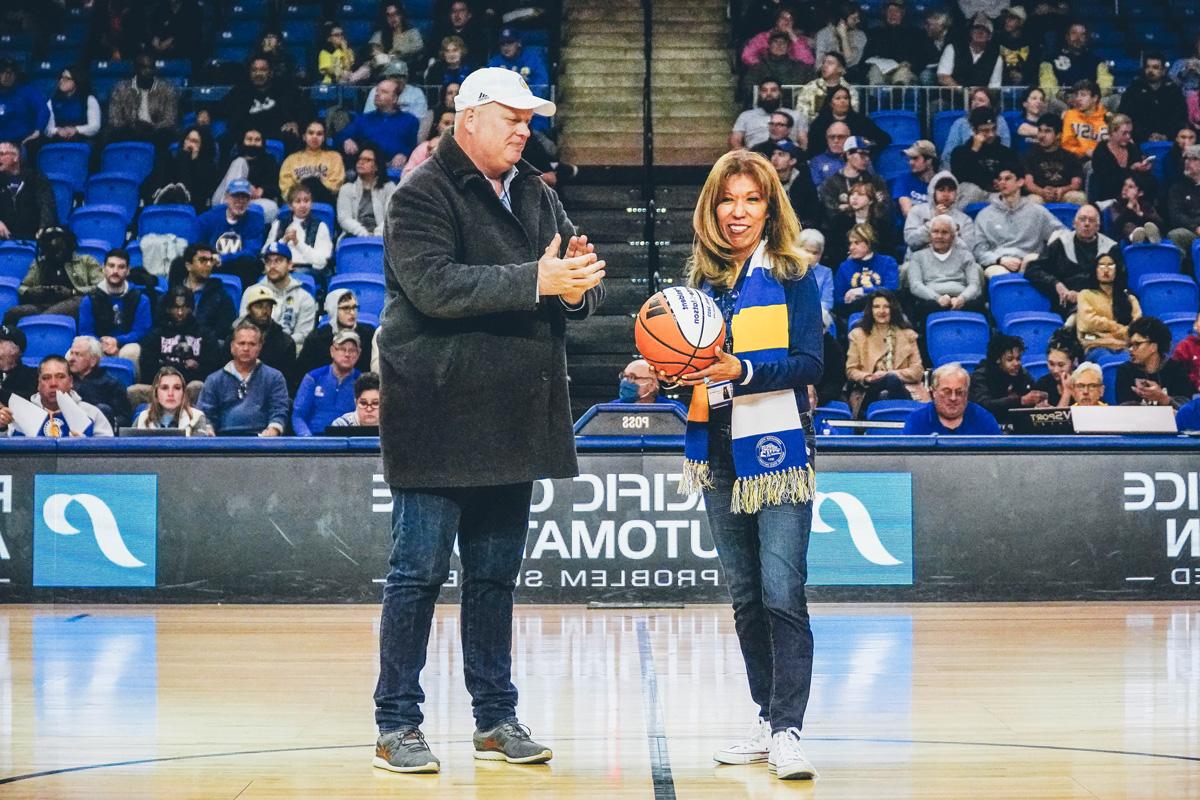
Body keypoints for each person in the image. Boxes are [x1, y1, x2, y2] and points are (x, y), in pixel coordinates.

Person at [373, 67, 604, 773]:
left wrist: (574, 290)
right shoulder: (420, 194)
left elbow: (575, 288)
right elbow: (434, 287)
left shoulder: (535, 191)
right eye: (512, 118)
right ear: (466, 117)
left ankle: (495, 717)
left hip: (509, 415)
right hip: (437, 414)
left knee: (495, 576)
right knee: (417, 572)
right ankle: (396, 724)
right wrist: (539, 280)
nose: (523, 130)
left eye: (529, 120)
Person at [666, 149, 820, 780]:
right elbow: (694, 375)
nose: (738, 211)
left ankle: (788, 729)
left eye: (751, 199)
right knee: (746, 597)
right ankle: (764, 716)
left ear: (769, 206)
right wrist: (661, 373)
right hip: (719, 452)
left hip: (779, 449)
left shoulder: (793, 274)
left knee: (783, 591)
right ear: (712, 206)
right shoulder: (700, 283)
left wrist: (745, 369)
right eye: (728, 199)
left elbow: (811, 365)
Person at [197, 320, 290, 435]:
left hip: (263, 442)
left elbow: (279, 411)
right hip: (222, 443)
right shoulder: (214, 380)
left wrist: (274, 430)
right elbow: (205, 414)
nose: (246, 348)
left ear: (259, 347)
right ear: (232, 347)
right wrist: (208, 429)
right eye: (241, 343)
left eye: (252, 344)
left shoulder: (274, 377)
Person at [1025, 203, 1119, 316]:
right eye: (1082, 219)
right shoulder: (1060, 244)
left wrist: (1085, 297)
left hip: (1100, 304)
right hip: (1066, 306)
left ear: (1098, 227)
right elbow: (1032, 269)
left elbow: (1120, 281)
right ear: (1074, 223)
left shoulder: (1110, 248)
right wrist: (1056, 284)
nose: (1087, 224)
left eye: (1091, 220)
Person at [974, 166, 1065, 279]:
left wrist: (1046, 255)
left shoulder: (1037, 211)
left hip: (1030, 262)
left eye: (1007, 179)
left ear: (1020, 182)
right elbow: (979, 250)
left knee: (1032, 263)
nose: (1002, 182)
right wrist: (999, 259)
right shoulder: (984, 215)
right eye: (1000, 179)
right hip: (999, 263)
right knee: (998, 274)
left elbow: (1062, 233)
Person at [845, 289, 925, 417]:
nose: (881, 311)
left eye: (886, 307)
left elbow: (917, 371)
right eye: (876, 307)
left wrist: (891, 374)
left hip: (904, 387)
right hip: (870, 388)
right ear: (870, 310)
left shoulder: (908, 334)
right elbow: (851, 370)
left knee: (891, 380)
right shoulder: (858, 335)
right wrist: (868, 377)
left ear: (893, 309)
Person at [4, 227, 101, 326]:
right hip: (43, 305)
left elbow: (100, 287)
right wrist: (32, 291)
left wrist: (72, 292)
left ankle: (41, 322)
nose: (56, 255)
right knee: (13, 313)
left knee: (77, 302)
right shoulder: (39, 264)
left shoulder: (86, 261)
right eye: (52, 251)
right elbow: (22, 287)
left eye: (59, 250)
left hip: (73, 302)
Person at [136, 285, 221, 398]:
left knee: (197, 386)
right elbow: (147, 368)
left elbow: (212, 368)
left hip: (192, 391)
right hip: (161, 389)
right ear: (167, 309)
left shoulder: (205, 334)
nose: (180, 313)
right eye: (175, 308)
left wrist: (196, 368)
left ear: (192, 308)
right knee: (134, 391)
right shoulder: (156, 335)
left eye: (185, 307)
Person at [3, 355, 114, 437]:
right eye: (46, 378)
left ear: (71, 381)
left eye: (60, 377)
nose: (53, 383)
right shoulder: (21, 414)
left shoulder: (91, 413)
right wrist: (2, 427)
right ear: (38, 383)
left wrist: (85, 447)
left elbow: (108, 458)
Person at [77, 248, 152, 370]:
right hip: (99, 346)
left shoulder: (140, 299)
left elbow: (142, 331)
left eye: (121, 267)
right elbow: (85, 332)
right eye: (111, 266)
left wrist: (117, 341)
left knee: (133, 351)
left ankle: (130, 388)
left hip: (126, 346)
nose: (115, 271)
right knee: (73, 353)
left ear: (128, 271)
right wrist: (104, 344)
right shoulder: (90, 299)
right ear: (103, 268)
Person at [220, 57, 313, 154]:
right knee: (225, 140)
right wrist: (205, 112)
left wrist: (297, 124)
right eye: (254, 70)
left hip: (277, 133)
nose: (258, 74)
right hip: (247, 134)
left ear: (271, 73)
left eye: (263, 70)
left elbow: (307, 108)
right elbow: (220, 107)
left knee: (293, 137)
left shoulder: (285, 88)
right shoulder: (240, 91)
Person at [905, 214, 985, 327]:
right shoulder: (918, 256)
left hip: (961, 299)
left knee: (977, 306)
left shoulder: (965, 255)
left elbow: (974, 285)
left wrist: (962, 299)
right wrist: (938, 298)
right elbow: (915, 285)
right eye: (935, 232)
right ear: (929, 235)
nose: (939, 236)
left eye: (944, 232)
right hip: (931, 300)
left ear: (953, 236)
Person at [239, 242, 317, 349]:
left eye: (278, 261)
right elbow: (243, 325)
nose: (272, 266)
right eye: (268, 261)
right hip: (254, 349)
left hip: (289, 350)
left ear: (290, 265)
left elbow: (304, 335)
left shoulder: (304, 298)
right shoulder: (252, 292)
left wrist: (278, 344)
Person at [196, 179, 267, 289]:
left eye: (244, 197)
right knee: (180, 264)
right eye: (235, 196)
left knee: (249, 263)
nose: (240, 202)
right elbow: (196, 244)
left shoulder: (255, 220)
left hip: (238, 266)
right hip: (211, 263)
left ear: (249, 200)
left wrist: (223, 259)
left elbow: (251, 251)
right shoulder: (209, 218)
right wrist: (209, 257)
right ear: (227, 197)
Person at [336, 77, 420, 170]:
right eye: (377, 91)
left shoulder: (410, 120)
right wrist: (347, 140)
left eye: (384, 92)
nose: (377, 94)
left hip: (395, 167)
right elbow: (341, 135)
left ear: (395, 99)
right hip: (367, 167)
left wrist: (404, 154)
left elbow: (412, 146)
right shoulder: (364, 119)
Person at [292, 329, 361, 436]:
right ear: (332, 351)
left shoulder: (362, 382)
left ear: (358, 354)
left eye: (352, 350)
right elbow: (298, 415)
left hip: (348, 442)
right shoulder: (313, 378)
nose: (347, 354)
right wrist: (307, 439)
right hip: (314, 440)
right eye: (342, 349)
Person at [264, 186, 333, 291]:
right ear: (290, 206)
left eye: (306, 201)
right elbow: (265, 252)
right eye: (298, 201)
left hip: (308, 269)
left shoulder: (320, 226)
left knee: (294, 278)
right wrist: (283, 242)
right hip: (280, 268)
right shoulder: (279, 224)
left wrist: (297, 243)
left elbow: (321, 261)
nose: (303, 205)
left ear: (311, 203)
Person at [104, 54, 179, 151]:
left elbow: (170, 119)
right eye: (143, 67)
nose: (147, 71)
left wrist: (152, 127)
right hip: (130, 131)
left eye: (151, 67)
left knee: (169, 133)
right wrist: (133, 126)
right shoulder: (120, 89)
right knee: (111, 134)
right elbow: (114, 119)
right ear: (135, 70)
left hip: (156, 132)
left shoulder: (167, 89)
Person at [901, 363, 1001, 434]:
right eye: (947, 392)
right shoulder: (917, 420)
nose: (953, 398)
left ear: (967, 394)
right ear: (934, 392)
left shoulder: (984, 419)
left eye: (959, 392)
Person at [1115, 316, 1194, 407]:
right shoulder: (1125, 371)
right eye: (1130, 345)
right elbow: (1123, 409)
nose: (1131, 349)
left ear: (1154, 347)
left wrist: (1162, 398)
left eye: (1137, 344)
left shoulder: (1176, 369)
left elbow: (1186, 408)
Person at [969, 333, 1046, 426]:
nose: (1016, 363)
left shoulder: (1023, 374)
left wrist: (1040, 398)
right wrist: (1020, 401)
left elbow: (1035, 390)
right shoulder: (980, 376)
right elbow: (984, 406)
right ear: (997, 360)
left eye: (1018, 359)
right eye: (1010, 359)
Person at [297, 288, 375, 377]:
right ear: (333, 309)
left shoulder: (368, 334)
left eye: (354, 307)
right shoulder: (316, 339)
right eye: (346, 308)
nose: (352, 313)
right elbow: (302, 374)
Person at [949, 107, 1020, 205]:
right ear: (974, 131)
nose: (991, 134)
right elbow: (959, 177)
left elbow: (1016, 175)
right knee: (970, 190)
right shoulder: (960, 152)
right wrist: (974, 150)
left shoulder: (1006, 153)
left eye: (993, 129)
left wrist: (1001, 182)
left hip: (998, 194)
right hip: (974, 193)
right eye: (985, 131)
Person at [171, 243, 237, 346]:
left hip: (207, 347)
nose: (209, 264)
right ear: (188, 266)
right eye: (203, 260)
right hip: (174, 345)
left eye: (210, 260)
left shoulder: (221, 296)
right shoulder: (171, 295)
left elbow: (224, 330)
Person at [212, 128, 281, 223]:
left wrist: (263, 190)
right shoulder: (233, 159)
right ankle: (228, 212)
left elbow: (275, 186)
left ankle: (236, 220)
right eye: (249, 139)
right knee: (240, 162)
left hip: (250, 202)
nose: (253, 143)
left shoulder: (269, 161)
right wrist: (246, 187)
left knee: (272, 207)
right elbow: (221, 184)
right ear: (243, 141)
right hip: (224, 201)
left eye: (257, 140)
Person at [1076, 254, 1141, 354]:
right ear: (1095, 270)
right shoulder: (1085, 295)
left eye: (1110, 266)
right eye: (1101, 266)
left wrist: (1121, 333)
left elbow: (1137, 324)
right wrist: (1116, 328)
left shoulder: (1129, 298)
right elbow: (1088, 323)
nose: (1106, 270)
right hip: (1096, 345)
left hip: (1124, 345)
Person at [833, 223, 899, 321]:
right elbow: (838, 298)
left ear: (869, 242)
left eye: (857, 242)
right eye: (850, 243)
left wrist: (862, 291)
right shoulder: (844, 267)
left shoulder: (888, 262)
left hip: (885, 312)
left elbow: (891, 289)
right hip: (856, 313)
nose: (851, 247)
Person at [805, 86, 891, 160]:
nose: (843, 101)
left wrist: (868, 146)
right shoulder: (819, 123)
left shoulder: (861, 121)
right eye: (838, 98)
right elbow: (813, 150)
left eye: (846, 98)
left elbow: (884, 139)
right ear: (831, 103)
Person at [66, 335, 133, 428]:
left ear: (93, 360)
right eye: (71, 353)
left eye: (78, 354)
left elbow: (124, 419)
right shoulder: (64, 379)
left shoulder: (112, 384)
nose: (71, 359)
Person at [1119, 54, 1188, 144]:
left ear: (1163, 71)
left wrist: (1166, 136)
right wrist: (1146, 136)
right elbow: (1126, 117)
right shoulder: (1133, 90)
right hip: (1138, 141)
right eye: (1148, 67)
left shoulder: (1174, 91)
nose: (1150, 71)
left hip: (1170, 140)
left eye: (1155, 67)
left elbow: (1180, 118)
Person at [145, 126, 218, 210]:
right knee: (164, 158)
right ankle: (158, 195)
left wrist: (190, 161)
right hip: (167, 201)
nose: (189, 144)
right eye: (187, 139)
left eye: (194, 141)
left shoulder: (209, 168)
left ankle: (182, 196)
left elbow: (202, 192)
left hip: (193, 204)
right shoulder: (174, 159)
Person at [824, 181, 896, 267]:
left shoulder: (881, 224)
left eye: (860, 195)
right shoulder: (839, 220)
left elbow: (888, 249)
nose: (854, 198)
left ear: (871, 201)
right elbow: (833, 247)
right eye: (852, 195)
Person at [903, 171, 977, 254]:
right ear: (933, 191)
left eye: (950, 190)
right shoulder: (917, 211)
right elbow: (911, 241)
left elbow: (968, 251)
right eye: (941, 190)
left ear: (956, 193)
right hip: (919, 262)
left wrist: (950, 230)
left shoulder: (965, 220)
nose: (946, 194)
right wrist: (933, 222)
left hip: (952, 263)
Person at [817, 135, 890, 220]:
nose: (867, 159)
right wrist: (863, 206)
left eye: (869, 155)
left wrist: (845, 208)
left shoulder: (875, 181)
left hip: (872, 228)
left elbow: (884, 210)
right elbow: (830, 214)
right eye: (862, 154)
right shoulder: (831, 184)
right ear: (848, 154)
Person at [1038, 22, 1113, 101]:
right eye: (1074, 33)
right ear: (1067, 37)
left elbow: (1105, 85)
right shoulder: (1050, 61)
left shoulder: (1097, 62)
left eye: (1082, 35)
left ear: (1086, 38)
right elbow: (1047, 86)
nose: (1078, 38)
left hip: (1090, 102)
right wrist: (1063, 96)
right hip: (1063, 102)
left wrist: (1088, 98)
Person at [0, 139, 57, 242]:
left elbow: (47, 206)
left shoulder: (36, 178)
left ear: (16, 157)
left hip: (33, 237)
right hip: (3, 238)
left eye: (2, 154)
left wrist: (43, 229)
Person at [1022, 112, 1086, 204]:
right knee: (1032, 200)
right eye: (1040, 130)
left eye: (1047, 131)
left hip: (1063, 193)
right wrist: (1042, 192)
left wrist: (1063, 190)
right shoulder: (1029, 155)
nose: (1042, 135)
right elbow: (1028, 184)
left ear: (1058, 135)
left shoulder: (1070, 157)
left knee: (1079, 197)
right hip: (1039, 194)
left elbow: (1076, 183)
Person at [238, 284, 298, 381]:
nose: (264, 311)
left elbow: (288, 382)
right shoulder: (234, 339)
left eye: (268, 306)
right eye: (259, 306)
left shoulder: (285, 342)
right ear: (249, 309)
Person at [278, 119, 345, 206]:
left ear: (324, 138)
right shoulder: (291, 159)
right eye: (311, 133)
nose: (315, 137)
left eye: (319, 134)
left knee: (312, 182)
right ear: (304, 137)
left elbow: (335, 185)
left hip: (324, 200)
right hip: (297, 202)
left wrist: (312, 188)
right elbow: (286, 188)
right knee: (308, 183)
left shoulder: (335, 157)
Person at [1089, 114, 1152, 204]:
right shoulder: (1101, 152)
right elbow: (1106, 183)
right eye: (1124, 133)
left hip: (1134, 198)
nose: (1128, 137)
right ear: (1112, 133)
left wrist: (1144, 170)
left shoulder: (1133, 149)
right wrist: (1132, 169)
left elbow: (1142, 180)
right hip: (1108, 198)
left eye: (1130, 133)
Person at [337, 144, 397, 238]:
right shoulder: (346, 189)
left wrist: (377, 235)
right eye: (360, 159)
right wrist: (362, 233)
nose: (361, 162)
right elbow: (344, 218)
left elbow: (390, 217)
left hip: (382, 238)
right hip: (353, 236)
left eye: (367, 160)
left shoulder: (389, 188)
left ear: (377, 166)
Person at [132, 365, 213, 434]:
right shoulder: (142, 419)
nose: (170, 393)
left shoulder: (197, 417)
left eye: (177, 388)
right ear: (156, 394)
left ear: (183, 394)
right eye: (164, 388)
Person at [861, 0, 922, 86]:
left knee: (902, 73)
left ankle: (897, 97)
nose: (892, 14)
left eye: (896, 11)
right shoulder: (875, 33)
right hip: (881, 70)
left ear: (902, 13)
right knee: (874, 70)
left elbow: (921, 57)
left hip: (903, 69)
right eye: (890, 11)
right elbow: (866, 57)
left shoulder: (914, 33)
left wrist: (910, 64)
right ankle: (876, 97)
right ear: (885, 13)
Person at [940, 88, 1013, 159]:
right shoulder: (960, 123)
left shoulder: (1000, 121)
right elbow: (949, 152)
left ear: (991, 104)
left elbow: (1005, 147)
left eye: (981, 100)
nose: (976, 103)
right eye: (974, 99)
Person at [794, 53, 858, 130]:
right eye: (824, 62)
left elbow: (853, 114)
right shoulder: (810, 88)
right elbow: (801, 117)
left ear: (840, 69)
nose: (824, 66)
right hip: (814, 131)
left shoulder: (850, 91)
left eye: (830, 63)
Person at [936, 14, 1002, 89]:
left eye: (985, 30)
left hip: (980, 98)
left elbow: (994, 86)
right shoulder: (952, 48)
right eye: (977, 28)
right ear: (971, 32)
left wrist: (979, 96)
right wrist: (962, 91)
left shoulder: (996, 57)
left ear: (990, 36)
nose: (980, 32)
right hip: (951, 97)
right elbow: (942, 77)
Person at [741, 7, 816, 72]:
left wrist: (792, 35)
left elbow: (808, 61)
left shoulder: (798, 40)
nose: (787, 21)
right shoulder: (763, 37)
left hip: (790, 77)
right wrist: (763, 67)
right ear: (777, 21)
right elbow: (747, 55)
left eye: (791, 19)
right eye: (783, 18)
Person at [42, 65, 101, 146]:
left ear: (76, 81)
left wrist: (76, 130)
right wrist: (57, 131)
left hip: (82, 143)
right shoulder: (52, 101)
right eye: (61, 78)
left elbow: (95, 127)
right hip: (58, 143)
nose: (61, 81)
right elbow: (47, 129)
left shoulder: (89, 99)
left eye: (66, 78)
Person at [742, 31, 814, 98]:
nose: (779, 45)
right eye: (775, 42)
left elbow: (812, 87)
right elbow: (748, 88)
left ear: (788, 48)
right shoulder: (758, 67)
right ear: (769, 46)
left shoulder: (801, 68)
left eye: (783, 43)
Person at [425, 1, 488, 70]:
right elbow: (432, 54)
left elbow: (480, 60)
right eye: (453, 11)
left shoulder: (478, 36)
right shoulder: (440, 33)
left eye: (462, 11)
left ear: (469, 15)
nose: (457, 15)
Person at [0, 58, 48, 148]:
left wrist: (38, 130)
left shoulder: (28, 92)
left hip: (22, 142)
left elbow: (43, 109)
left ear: (16, 75)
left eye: (10, 73)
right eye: (2, 72)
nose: (6, 76)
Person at [368, 3, 425, 77]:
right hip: (382, 70)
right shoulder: (380, 34)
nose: (392, 18)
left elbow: (418, 47)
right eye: (389, 15)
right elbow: (375, 52)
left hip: (405, 69)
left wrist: (396, 53)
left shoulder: (413, 32)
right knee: (366, 66)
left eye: (395, 14)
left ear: (401, 15)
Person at [488, 28, 551, 93]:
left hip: (528, 99)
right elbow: (488, 85)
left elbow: (542, 85)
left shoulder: (532, 58)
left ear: (519, 43)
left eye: (510, 42)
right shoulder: (495, 62)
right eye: (502, 43)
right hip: (503, 99)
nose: (506, 46)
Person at [1166, 144, 1200, 262]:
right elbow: (1175, 215)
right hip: (1191, 232)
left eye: (1194, 159)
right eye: (1186, 158)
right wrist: (1195, 227)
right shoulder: (1178, 187)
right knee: (1175, 235)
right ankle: (1180, 275)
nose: (1188, 162)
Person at [731, 79, 787, 151]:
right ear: (759, 94)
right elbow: (735, 140)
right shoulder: (745, 116)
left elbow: (802, 143)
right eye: (764, 90)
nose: (768, 94)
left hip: (785, 157)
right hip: (755, 156)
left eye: (773, 90)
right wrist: (744, 156)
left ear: (780, 93)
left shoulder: (795, 115)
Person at [363, 62, 431, 121]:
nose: (398, 80)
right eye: (394, 76)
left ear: (407, 78)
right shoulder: (376, 90)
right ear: (387, 77)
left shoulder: (416, 93)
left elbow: (419, 118)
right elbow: (368, 114)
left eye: (401, 76)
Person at [1060, 80, 1107, 161]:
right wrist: (1085, 151)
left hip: (1102, 160)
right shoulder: (1070, 115)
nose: (1078, 99)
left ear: (1095, 98)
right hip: (1076, 160)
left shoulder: (1107, 118)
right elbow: (1066, 145)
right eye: (1076, 95)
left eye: (1083, 95)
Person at [798, 229, 835, 332]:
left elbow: (827, 301)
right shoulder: (790, 271)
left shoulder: (826, 272)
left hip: (819, 315)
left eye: (815, 253)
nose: (811, 256)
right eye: (807, 251)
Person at [615, 358, 686, 412]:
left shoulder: (674, 411)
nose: (625, 381)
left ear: (651, 386)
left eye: (632, 377)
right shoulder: (611, 410)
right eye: (623, 376)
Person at [814, 2, 867, 73]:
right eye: (854, 18)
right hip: (828, 72)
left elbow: (850, 61)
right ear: (842, 20)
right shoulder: (824, 34)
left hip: (850, 73)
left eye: (858, 17)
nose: (858, 21)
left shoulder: (860, 36)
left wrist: (844, 37)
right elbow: (819, 62)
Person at [1113, 174, 1165, 244]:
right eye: (1125, 185)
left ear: (1140, 193)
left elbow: (1160, 224)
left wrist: (1141, 214)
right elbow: (1116, 225)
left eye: (1131, 187)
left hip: (1148, 238)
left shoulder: (1146, 205)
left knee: (1149, 225)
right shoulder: (1116, 204)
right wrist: (1128, 209)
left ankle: (1153, 241)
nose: (1125, 189)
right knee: (1128, 225)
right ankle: (1136, 240)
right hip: (1126, 241)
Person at [892, 140, 937, 219]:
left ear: (929, 161)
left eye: (915, 158)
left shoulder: (941, 182)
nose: (911, 162)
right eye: (909, 158)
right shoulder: (904, 180)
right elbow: (908, 213)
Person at [1032, 334, 1081, 407]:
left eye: (1061, 365)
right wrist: (1067, 393)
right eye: (1051, 364)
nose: (1055, 370)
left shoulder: (1085, 384)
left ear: (1074, 362)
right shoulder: (1042, 385)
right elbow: (1057, 418)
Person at [996, 5, 1039, 86]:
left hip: (1026, 85)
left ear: (1021, 22)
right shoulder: (998, 39)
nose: (1007, 20)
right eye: (1006, 17)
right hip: (1002, 84)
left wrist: (1022, 75)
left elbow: (1033, 67)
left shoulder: (1030, 42)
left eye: (1012, 18)